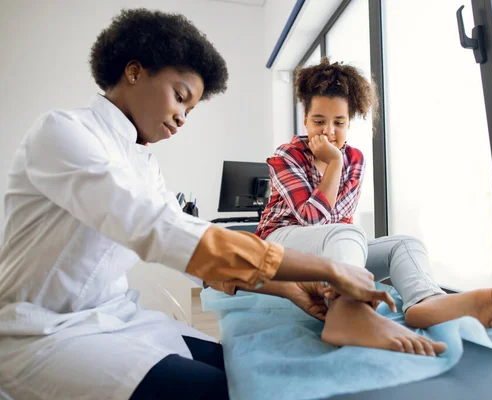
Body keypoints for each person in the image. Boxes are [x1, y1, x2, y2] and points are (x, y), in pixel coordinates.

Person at [0, 10, 396, 400]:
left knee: (245, 371)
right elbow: (159, 230)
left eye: (190, 109)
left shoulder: (144, 164)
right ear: (134, 72)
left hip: (118, 318)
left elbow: (192, 257)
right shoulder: (63, 133)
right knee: (222, 391)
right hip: (43, 333)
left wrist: (288, 288)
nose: (183, 118)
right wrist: (328, 268)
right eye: (180, 97)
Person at [255, 58, 492, 357]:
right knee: (346, 232)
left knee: (404, 244)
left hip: (330, 249)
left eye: (339, 122)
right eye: (319, 121)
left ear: (350, 121)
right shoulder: (287, 155)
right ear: (305, 119)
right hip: (279, 246)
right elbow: (312, 219)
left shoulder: (356, 158)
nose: (329, 131)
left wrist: (340, 162)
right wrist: (335, 163)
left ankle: (425, 302)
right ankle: (347, 312)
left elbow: (340, 222)